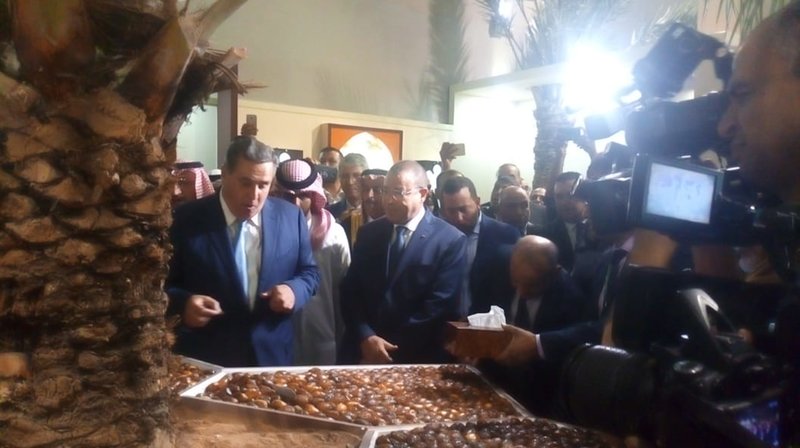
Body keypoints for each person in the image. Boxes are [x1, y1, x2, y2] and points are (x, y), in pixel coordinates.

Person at [166, 136, 320, 367]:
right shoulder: (185, 220)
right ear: (225, 173)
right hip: (207, 359)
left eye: (263, 185)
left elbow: (310, 272)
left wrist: (294, 290)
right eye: (245, 183)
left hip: (272, 359)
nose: (254, 195)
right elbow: (158, 285)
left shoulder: (290, 217)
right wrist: (183, 305)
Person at [339, 160, 467, 364]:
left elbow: (439, 307)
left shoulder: (449, 240)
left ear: (422, 194)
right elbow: (351, 291)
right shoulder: (369, 234)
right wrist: (366, 336)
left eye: (398, 192)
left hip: (416, 356)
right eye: (385, 191)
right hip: (364, 352)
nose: (388, 200)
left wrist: (389, 348)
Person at [451, 236, 589, 416]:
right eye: (516, 282)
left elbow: (560, 358)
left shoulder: (571, 300)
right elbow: (480, 308)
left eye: (531, 286)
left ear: (555, 273)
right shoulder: (498, 266)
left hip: (537, 389)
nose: (521, 292)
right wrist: (471, 342)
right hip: (490, 377)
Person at [273, 159, 350, 366]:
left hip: (322, 334)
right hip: (276, 337)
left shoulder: (333, 233)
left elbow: (344, 291)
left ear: (314, 195)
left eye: (302, 196)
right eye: (288, 196)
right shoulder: (266, 231)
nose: (296, 204)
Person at [438, 176, 519, 317]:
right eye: (451, 211)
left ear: (477, 202)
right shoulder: (438, 236)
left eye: (463, 209)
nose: (458, 217)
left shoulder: (505, 235)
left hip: (490, 322)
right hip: (447, 322)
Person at [539, 172, 592, 271]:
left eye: (570, 195)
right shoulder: (544, 236)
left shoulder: (601, 229)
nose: (565, 202)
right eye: (559, 197)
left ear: (585, 196)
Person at [340, 168, 387, 249]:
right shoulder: (348, 223)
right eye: (366, 189)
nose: (369, 195)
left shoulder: (397, 225)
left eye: (377, 190)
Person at [327, 153, 367, 220]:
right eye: (345, 176)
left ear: (366, 177)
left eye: (356, 176)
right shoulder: (328, 214)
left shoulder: (378, 211)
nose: (350, 182)